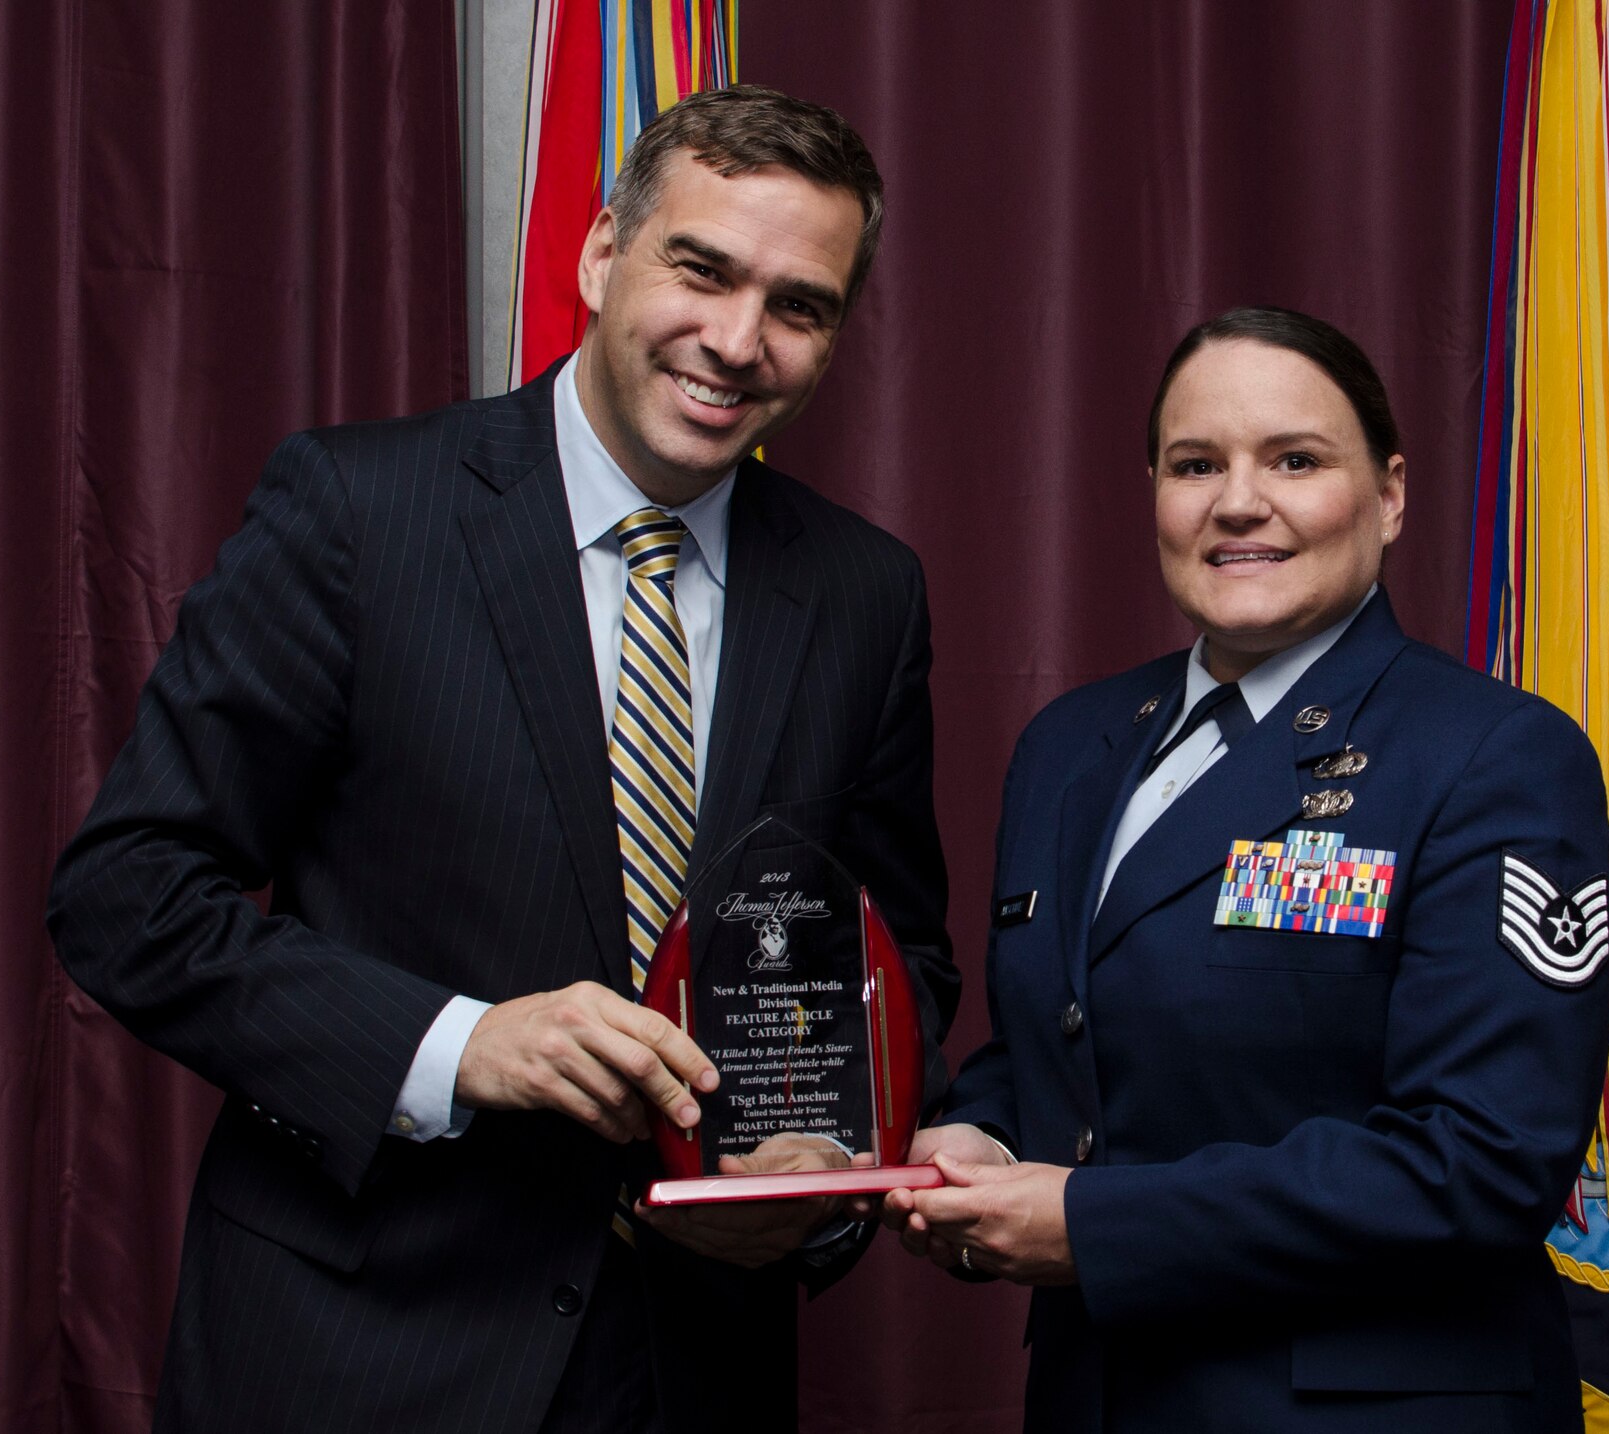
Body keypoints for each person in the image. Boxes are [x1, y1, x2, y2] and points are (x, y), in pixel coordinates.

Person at [47, 85, 957, 1434]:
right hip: (358, 1351)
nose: (738, 339)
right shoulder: (359, 514)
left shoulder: (866, 593)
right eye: (700, 269)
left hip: (693, 1366)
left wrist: (816, 1190)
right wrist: (463, 1044)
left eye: (800, 305)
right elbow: (127, 892)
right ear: (602, 256)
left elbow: (901, 961)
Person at [876, 308, 1609, 1432]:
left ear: (1390, 493)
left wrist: (1092, 1227)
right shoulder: (1071, 748)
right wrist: (974, 1133)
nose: (1235, 501)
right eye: (1194, 464)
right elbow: (1068, 1046)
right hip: (1100, 1399)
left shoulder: (1492, 755)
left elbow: (1482, 1161)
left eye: (1294, 459)